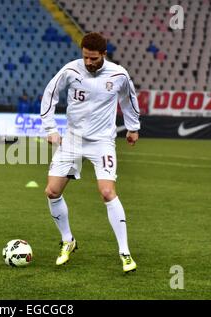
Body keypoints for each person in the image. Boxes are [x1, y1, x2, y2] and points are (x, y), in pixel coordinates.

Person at [40, 32, 140, 273]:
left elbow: (129, 99)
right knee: (52, 191)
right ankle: (68, 240)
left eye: (93, 58)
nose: (88, 62)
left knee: (107, 192)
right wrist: (51, 129)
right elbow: (49, 95)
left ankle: (125, 252)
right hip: (72, 139)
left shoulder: (118, 74)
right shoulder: (71, 71)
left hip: (102, 141)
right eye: (85, 57)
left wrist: (133, 127)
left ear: (103, 54)